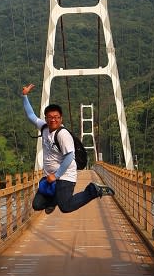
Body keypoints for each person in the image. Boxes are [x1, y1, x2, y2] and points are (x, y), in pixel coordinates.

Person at [22, 83, 115, 215]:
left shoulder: (63, 134)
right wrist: (24, 96)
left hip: (64, 176)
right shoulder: (44, 128)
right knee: (37, 205)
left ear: (61, 118)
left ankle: (93, 190)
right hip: (49, 176)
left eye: (56, 117)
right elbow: (31, 116)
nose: (53, 120)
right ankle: (55, 200)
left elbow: (70, 156)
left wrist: (57, 175)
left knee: (66, 207)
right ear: (46, 118)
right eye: (50, 117)